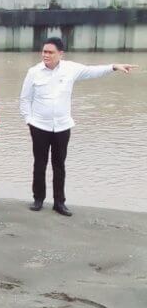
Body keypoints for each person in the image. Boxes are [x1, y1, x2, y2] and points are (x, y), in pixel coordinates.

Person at [19, 37, 137, 216]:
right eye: (44, 51)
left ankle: (59, 202)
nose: (46, 55)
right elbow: (25, 99)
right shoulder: (34, 72)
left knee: (59, 164)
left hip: (62, 126)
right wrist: (29, 119)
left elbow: (92, 71)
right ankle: (38, 199)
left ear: (60, 54)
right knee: (40, 163)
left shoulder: (70, 69)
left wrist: (113, 66)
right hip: (39, 126)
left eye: (50, 52)